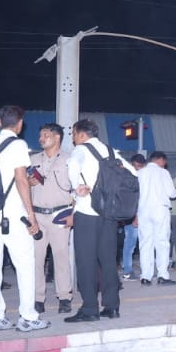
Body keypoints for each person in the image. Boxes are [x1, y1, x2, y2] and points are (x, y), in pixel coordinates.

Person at [0, 105, 48, 333]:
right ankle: (28, 316)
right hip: (13, 216)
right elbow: (20, 180)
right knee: (25, 265)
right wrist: (31, 215)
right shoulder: (18, 145)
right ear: (19, 125)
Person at [66, 118, 135, 322]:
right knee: (108, 261)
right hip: (109, 214)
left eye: (73, 134)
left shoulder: (80, 150)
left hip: (87, 212)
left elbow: (72, 167)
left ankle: (89, 309)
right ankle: (112, 306)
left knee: (86, 261)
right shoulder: (112, 151)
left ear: (81, 134)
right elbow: (132, 173)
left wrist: (77, 186)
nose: (73, 139)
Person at [28, 123, 75, 315]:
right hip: (37, 214)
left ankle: (64, 297)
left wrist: (74, 214)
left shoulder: (69, 160)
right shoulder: (31, 160)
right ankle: (38, 298)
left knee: (61, 257)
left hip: (60, 214)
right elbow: (22, 187)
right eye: (40, 135)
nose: (41, 138)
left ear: (57, 137)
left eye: (45, 134)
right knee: (36, 259)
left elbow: (79, 190)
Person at [136, 151, 176, 286]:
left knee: (145, 243)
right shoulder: (163, 173)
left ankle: (146, 276)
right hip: (160, 209)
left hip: (143, 210)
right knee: (162, 242)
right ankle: (162, 275)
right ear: (161, 160)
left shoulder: (140, 173)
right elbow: (171, 193)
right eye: (164, 162)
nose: (165, 165)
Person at [120, 154, 147, 280]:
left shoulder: (139, 178)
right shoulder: (129, 178)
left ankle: (140, 269)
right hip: (131, 216)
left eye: (141, 167)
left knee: (139, 243)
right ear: (131, 164)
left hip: (138, 214)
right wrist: (135, 216)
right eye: (136, 166)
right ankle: (127, 271)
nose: (138, 169)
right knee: (130, 243)